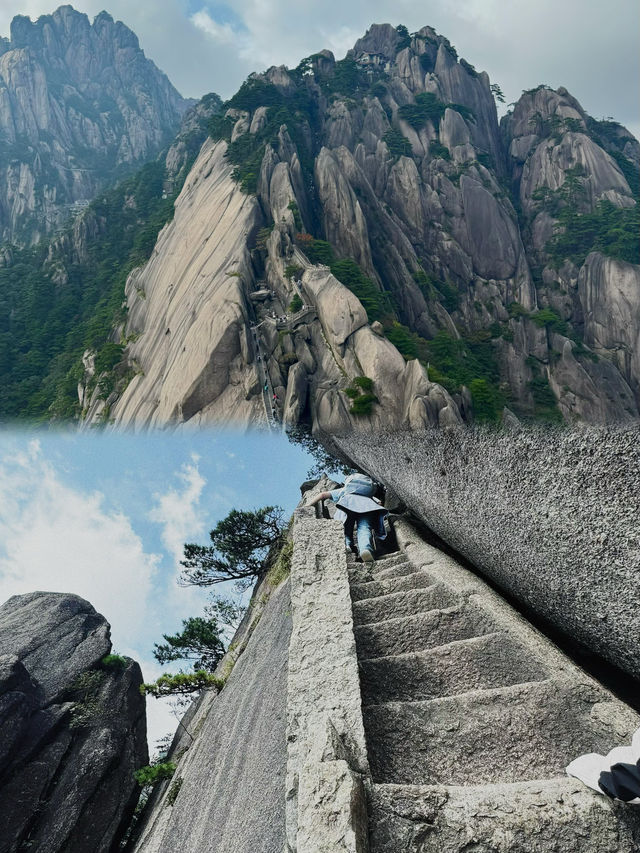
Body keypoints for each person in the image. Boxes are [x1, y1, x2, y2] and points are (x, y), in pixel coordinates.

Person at [309, 473, 387, 563]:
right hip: (367, 506)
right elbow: (379, 503)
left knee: (346, 528)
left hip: (348, 504)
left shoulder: (345, 490)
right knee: (364, 528)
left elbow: (323, 495)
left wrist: (307, 506)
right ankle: (365, 549)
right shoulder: (369, 494)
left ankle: (347, 546)